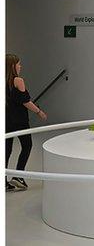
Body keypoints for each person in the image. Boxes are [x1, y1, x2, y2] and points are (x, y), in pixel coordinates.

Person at [5, 54, 47, 191]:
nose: (20, 66)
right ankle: (19, 176)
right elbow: (25, 101)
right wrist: (39, 111)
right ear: (12, 66)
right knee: (27, 145)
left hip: (6, 120)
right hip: (19, 120)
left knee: (6, 150)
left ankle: (4, 180)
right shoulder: (18, 81)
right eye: (18, 64)